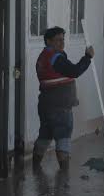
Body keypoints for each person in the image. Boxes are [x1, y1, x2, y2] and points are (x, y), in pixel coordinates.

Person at [33, 27, 94, 169]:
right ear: (48, 41)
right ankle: (63, 177)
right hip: (60, 107)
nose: (62, 43)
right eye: (58, 40)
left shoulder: (43, 57)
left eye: (63, 39)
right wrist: (88, 57)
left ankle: (35, 169)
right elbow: (74, 71)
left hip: (45, 105)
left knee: (45, 136)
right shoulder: (55, 57)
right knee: (63, 138)